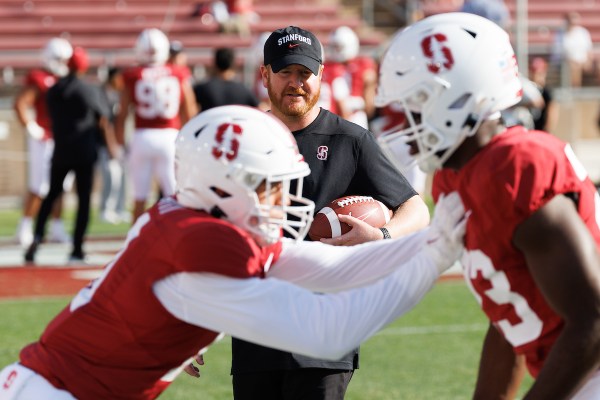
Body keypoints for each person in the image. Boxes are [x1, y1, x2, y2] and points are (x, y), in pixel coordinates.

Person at [0, 105, 467, 400]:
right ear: (225, 187)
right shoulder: (197, 246)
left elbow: (328, 267)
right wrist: (434, 256)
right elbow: (329, 330)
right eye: (271, 187)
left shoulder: (196, 222)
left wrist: (437, 240)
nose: (284, 201)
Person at [375, 12, 600, 399]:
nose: (406, 121)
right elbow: (510, 314)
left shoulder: (515, 165)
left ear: (460, 93)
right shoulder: (456, 175)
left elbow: (594, 319)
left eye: (417, 103)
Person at [231, 26, 431, 400]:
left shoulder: (351, 139)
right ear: (264, 75)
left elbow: (416, 209)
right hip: (256, 328)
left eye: (305, 73)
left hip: (325, 334)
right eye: (285, 72)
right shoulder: (242, 139)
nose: (296, 83)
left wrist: (381, 236)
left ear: (321, 75)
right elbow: (208, 227)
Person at [24, 47, 119, 264]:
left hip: (61, 150)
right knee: (83, 200)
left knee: (51, 195)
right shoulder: (90, 90)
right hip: (84, 150)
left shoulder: (54, 90)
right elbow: (103, 120)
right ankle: (77, 248)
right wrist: (111, 146)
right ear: (84, 66)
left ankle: (37, 239)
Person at [115, 28, 198, 224]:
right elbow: (190, 110)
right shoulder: (177, 72)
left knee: (139, 197)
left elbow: (122, 113)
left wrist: (119, 144)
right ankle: (181, 237)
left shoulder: (133, 74)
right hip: (170, 136)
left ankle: (134, 243)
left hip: (142, 136)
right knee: (175, 195)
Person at [13, 37, 73, 248]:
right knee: (39, 186)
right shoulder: (39, 78)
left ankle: (57, 227)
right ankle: (25, 227)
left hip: (63, 138)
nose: (62, 63)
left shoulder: (67, 79)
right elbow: (21, 103)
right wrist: (31, 127)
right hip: (45, 139)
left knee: (61, 187)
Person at [320, 26, 378, 129]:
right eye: (334, 47)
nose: (336, 51)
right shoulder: (329, 67)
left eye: (339, 47)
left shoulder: (363, 64)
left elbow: (369, 105)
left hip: (355, 113)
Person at [97, 66, 128, 224]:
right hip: (105, 145)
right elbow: (105, 123)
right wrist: (110, 145)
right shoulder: (103, 95)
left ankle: (119, 208)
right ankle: (106, 209)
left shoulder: (117, 95)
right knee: (111, 177)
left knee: (121, 177)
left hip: (117, 144)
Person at [192, 47, 259, 111]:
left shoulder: (202, 89)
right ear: (233, 64)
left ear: (216, 64)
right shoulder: (244, 90)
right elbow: (261, 109)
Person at [552, 11, 593, 87]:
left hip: (583, 61)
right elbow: (558, 52)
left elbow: (589, 49)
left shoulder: (583, 32)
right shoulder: (560, 33)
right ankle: (575, 92)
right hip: (568, 61)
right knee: (574, 67)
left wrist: (588, 61)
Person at [529, 57, 559, 133]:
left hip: (541, 131)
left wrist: (548, 130)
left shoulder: (547, 93)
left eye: (539, 73)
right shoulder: (529, 90)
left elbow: (552, 113)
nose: (536, 76)